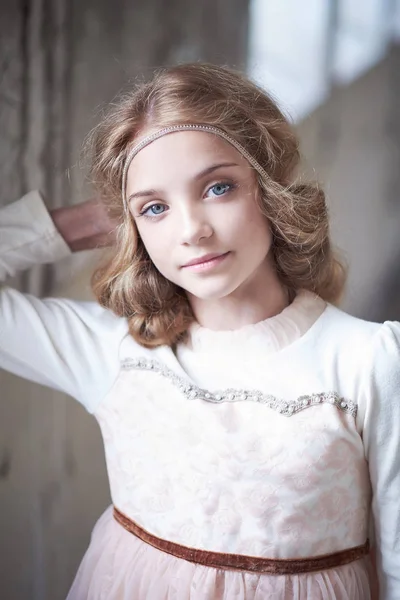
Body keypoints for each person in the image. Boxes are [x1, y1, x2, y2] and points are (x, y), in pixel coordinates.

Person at [0, 63, 399, 600]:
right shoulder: (113, 350)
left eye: (218, 187)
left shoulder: (367, 359)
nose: (192, 231)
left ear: (268, 188)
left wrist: (149, 205)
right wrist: (88, 221)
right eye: (157, 207)